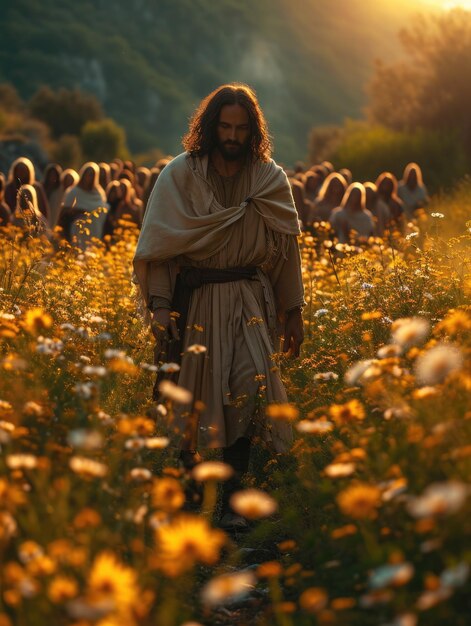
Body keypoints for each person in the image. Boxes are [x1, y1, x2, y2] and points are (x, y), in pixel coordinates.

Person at [133, 83, 305, 530]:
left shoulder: (269, 179)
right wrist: (159, 305)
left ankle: (233, 498)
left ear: (253, 131)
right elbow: (161, 248)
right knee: (192, 398)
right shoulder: (181, 175)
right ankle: (191, 494)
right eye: (225, 126)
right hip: (197, 300)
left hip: (249, 298)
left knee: (247, 389)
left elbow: (287, 250)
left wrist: (294, 312)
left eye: (241, 128)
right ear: (211, 127)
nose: (232, 135)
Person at [60, 162, 108, 249]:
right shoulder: (74, 191)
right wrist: (79, 212)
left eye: (93, 175)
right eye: (89, 174)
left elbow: (103, 209)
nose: (90, 177)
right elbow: (65, 211)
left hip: (94, 229)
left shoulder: (98, 192)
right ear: (84, 174)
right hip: (77, 229)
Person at [42, 163, 63, 228]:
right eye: (50, 174)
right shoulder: (41, 188)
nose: (52, 177)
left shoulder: (60, 191)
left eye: (54, 175)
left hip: (54, 221)